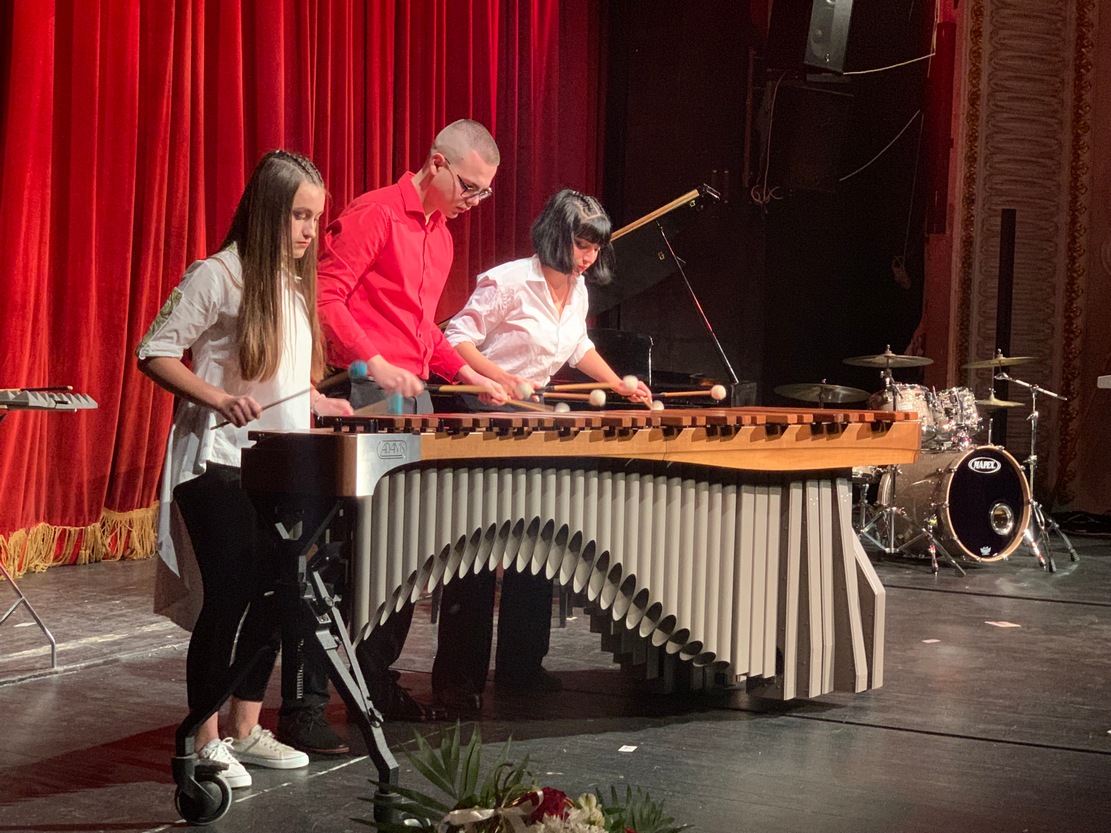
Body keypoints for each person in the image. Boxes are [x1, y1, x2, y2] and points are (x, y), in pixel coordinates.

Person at [137, 150, 353, 788]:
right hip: (219, 462)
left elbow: (281, 376)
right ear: (266, 211)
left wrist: (317, 399)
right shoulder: (219, 275)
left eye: (316, 218)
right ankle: (203, 738)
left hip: (279, 465)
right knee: (229, 598)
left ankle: (245, 728)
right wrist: (219, 398)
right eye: (299, 216)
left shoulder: (290, 284)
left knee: (284, 600)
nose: (310, 231)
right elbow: (155, 352)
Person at [314, 119, 506, 720]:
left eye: (484, 194)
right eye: (470, 187)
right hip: (365, 395)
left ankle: (375, 681)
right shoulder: (374, 215)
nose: (474, 203)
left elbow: (422, 327)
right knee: (377, 551)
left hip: (412, 399)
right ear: (437, 164)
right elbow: (324, 296)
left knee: (411, 548)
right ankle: (356, 685)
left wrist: (469, 374)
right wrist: (372, 361)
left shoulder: (441, 237)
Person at [437, 189, 652, 708]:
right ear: (557, 236)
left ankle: (521, 668)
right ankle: (457, 681)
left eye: (596, 248)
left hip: (531, 422)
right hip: (484, 416)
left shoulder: (576, 291)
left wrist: (620, 384)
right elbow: (455, 338)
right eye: (582, 244)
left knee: (536, 547)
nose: (588, 258)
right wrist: (500, 376)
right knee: (479, 554)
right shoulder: (508, 281)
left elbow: (577, 346)